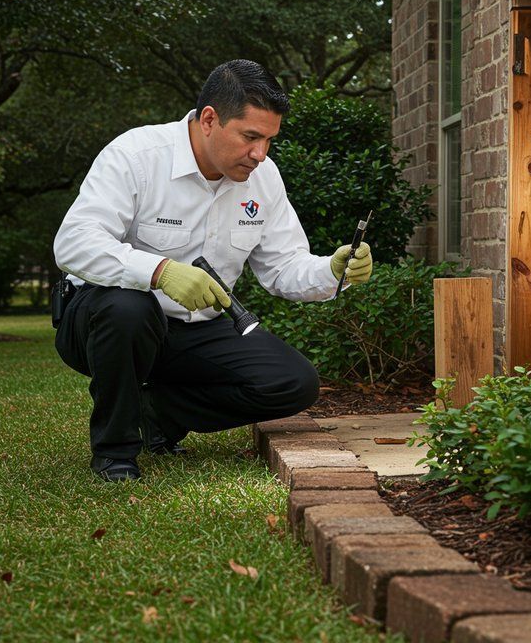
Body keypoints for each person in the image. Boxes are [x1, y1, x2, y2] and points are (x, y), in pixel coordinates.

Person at [53, 59, 373, 481]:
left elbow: (282, 267)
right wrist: (160, 272)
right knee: (128, 308)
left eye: (269, 140)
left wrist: (332, 270)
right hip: (105, 323)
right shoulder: (136, 155)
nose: (260, 154)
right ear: (209, 120)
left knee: (294, 382)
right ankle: (116, 452)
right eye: (250, 137)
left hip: (196, 330)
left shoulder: (264, 178)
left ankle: (156, 412)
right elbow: (74, 242)